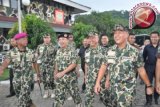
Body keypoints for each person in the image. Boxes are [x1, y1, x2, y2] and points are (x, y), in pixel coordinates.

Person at [94, 24, 153, 107]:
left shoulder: (134, 52)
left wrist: (148, 85)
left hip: (126, 90)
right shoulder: (111, 50)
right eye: (115, 33)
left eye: (119, 33)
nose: (116, 35)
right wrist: (98, 82)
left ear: (126, 34)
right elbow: (104, 66)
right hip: (112, 90)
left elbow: (141, 70)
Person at [0, 32, 37, 107]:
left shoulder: (31, 51)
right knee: (22, 97)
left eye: (26, 38)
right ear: (17, 41)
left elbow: (34, 62)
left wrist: (37, 73)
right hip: (17, 80)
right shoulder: (11, 52)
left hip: (27, 80)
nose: (26, 40)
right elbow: (6, 62)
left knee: (22, 99)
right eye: (23, 39)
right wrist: (2, 69)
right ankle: (30, 104)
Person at [53, 34, 82, 107]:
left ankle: (78, 104)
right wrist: (55, 72)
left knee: (74, 93)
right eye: (60, 39)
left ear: (67, 40)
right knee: (59, 95)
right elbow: (56, 62)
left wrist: (63, 72)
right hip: (60, 77)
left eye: (63, 39)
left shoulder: (72, 50)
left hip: (70, 77)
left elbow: (74, 64)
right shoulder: (58, 51)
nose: (61, 41)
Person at [84, 32, 106, 107]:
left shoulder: (104, 51)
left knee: (107, 100)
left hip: (102, 80)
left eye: (93, 37)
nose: (91, 39)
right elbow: (86, 64)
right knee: (87, 100)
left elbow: (109, 67)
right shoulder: (87, 51)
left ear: (98, 38)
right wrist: (85, 76)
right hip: (90, 79)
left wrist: (108, 80)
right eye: (89, 38)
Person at [36, 33, 56, 99]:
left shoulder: (53, 47)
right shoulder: (39, 46)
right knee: (44, 79)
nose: (46, 39)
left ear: (50, 38)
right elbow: (37, 55)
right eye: (45, 38)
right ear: (43, 39)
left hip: (51, 66)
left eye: (47, 37)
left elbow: (56, 57)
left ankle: (53, 91)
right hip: (43, 66)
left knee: (51, 79)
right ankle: (46, 92)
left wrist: (56, 68)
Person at [143, 31, 160, 105]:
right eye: (152, 37)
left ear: (158, 37)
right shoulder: (147, 47)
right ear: (150, 38)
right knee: (148, 84)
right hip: (149, 67)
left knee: (158, 83)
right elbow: (143, 58)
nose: (154, 38)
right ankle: (148, 100)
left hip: (159, 68)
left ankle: (156, 98)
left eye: (155, 37)